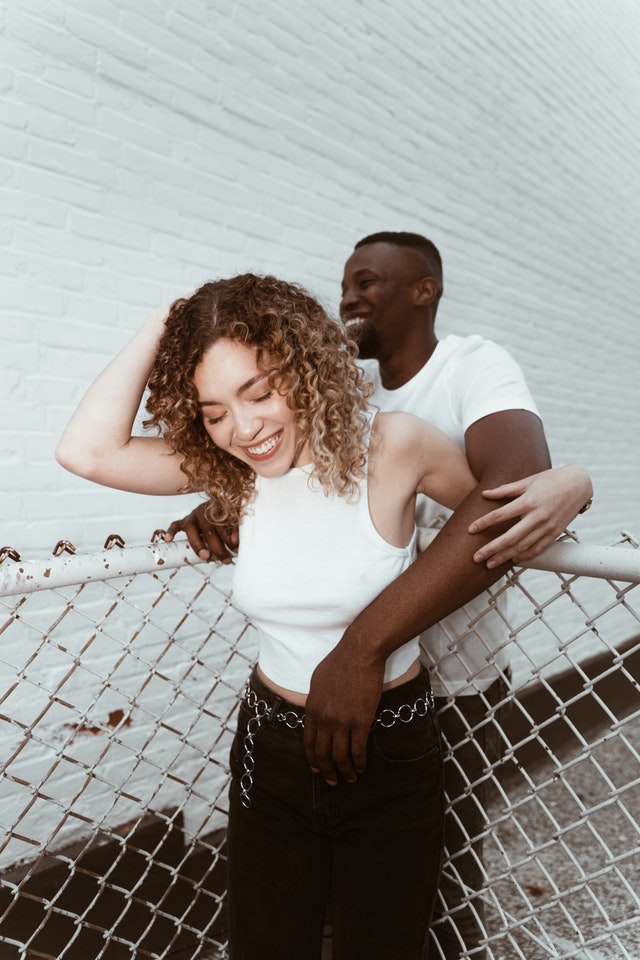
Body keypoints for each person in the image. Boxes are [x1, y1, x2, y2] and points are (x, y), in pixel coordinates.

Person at [166, 235, 593, 959]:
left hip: (448, 687)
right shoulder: (339, 396)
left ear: (425, 290)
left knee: (432, 904)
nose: (349, 298)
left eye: (368, 282)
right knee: (310, 910)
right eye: (344, 285)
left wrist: (575, 482)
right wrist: (235, 499)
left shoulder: (470, 367)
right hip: (330, 693)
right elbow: (297, 485)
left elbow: (514, 486)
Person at [56, 273, 485, 960]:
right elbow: (87, 451)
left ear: (305, 364)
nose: (245, 428)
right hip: (270, 743)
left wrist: (570, 485)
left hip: (391, 742)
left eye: (259, 393)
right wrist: (169, 319)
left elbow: (495, 525)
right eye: (214, 411)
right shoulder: (232, 470)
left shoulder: (396, 445)